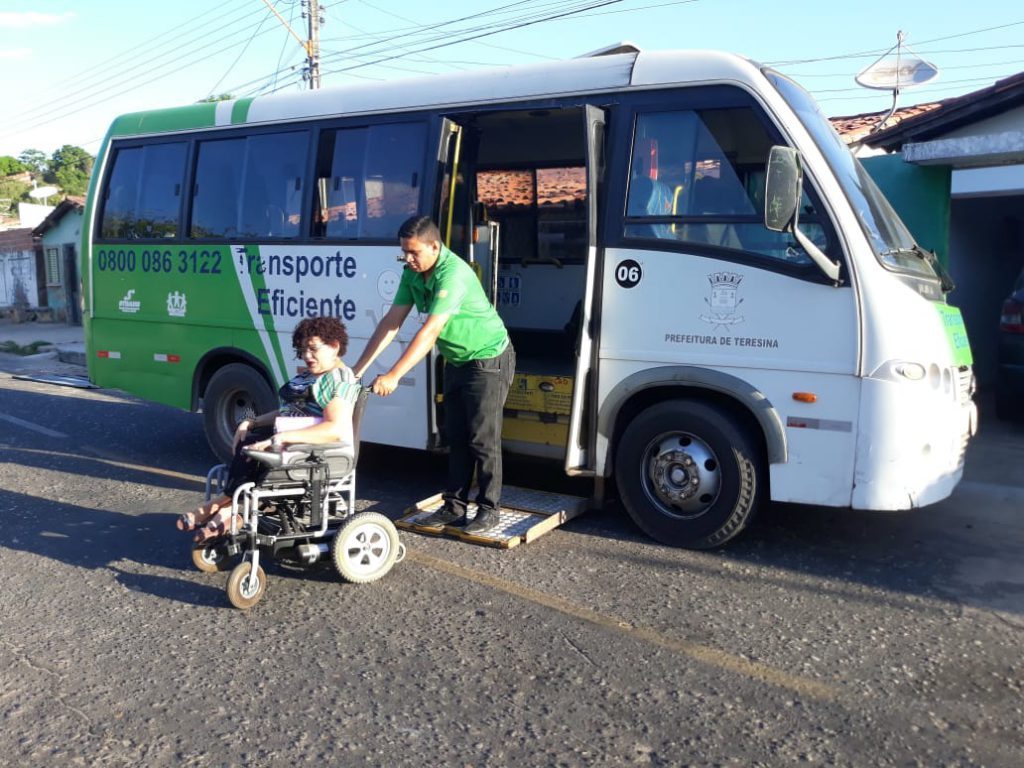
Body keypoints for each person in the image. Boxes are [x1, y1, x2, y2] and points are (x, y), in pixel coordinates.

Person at [352, 216, 515, 535]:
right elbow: (391, 322)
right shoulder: (412, 274)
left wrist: (395, 374)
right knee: (456, 437)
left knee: (481, 439)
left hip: (489, 359)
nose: (408, 259)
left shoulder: (452, 274)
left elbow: (429, 332)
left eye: (413, 253)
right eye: (403, 253)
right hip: (456, 360)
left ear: (434, 246)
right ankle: (454, 507)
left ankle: (488, 508)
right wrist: (357, 369)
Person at [176, 316, 360, 543]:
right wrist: (251, 422)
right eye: (303, 350)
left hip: (316, 449)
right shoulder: (310, 376)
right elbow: (287, 412)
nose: (307, 356)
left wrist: (281, 437)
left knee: (255, 450)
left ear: (334, 346)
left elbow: (334, 428)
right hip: (292, 440)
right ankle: (231, 510)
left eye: (313, 349)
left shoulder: (339, 380)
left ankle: (222, 507)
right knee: (249, 442)